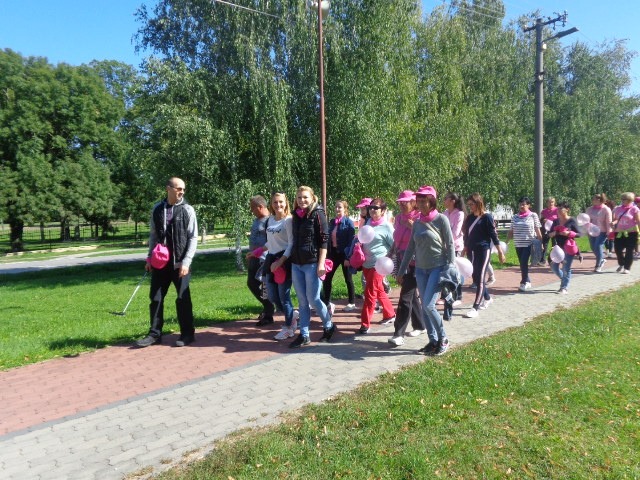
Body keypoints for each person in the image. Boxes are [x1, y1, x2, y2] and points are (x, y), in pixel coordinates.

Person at [136, 177, 198, 348]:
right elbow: (153, 235)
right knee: (156, 298)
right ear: (168, 189)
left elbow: (193, 237)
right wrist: (149, 257)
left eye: (183, 189)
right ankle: (154, 334)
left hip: (180, 263)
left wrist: (186, 262)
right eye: (178, 188)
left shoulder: (187, 210)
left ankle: (187, 334)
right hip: (160, 263)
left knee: (182, 298)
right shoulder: (157, 209)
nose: (182, 192)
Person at [397, 186, 454, 356]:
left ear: (432, 201)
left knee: (429, 305)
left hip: (437, 267)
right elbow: (410, 248)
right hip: (420, 270)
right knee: (424, 307)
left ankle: (443, 339)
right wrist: (401, 271)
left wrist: (450, 267)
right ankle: (433, 340)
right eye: (419, 200)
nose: (420, 203)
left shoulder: (441, 219)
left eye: (424, 200)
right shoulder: (417, 223)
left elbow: (450, 244)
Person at [288, 186, 336, 347]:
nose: (302, 200)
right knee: (302, 301)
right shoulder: (296, 215)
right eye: (299, 197)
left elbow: (324, 240)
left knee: (314, 299)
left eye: (305, 197)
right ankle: (304, 335)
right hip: (296, 263)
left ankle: (328, 326)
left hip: (312, 263)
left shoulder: (318, 213)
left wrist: (321, 263)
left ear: (312, 198)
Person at [388, 190, 426, 346]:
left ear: (414, 202)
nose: (402, 205)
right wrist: (391, 252)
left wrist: (411, 226)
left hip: (417, 263)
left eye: (406, 202)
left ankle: (398, 334)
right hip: (402, 261)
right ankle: (420, 325)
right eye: (400, 202)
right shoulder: (398, 218)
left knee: (405, 297)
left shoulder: (420, 217)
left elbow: (426, 238)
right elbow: (397, 238)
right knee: (411, 296)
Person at [462, 193, 505, 318]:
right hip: (471, 251)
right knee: (475, 277)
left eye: (472, 204)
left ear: (478, 203)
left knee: (480, 278)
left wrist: (500, 252)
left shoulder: (487, 217)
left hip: (483, 250)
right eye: (469, 205)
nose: (470, 207)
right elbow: (467, 235)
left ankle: (475, 308)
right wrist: (465, 249)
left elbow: (493, 235)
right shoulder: (469, 218)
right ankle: (487, 298)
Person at [263, 192, 298, 341]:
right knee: (272, 296)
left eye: (281, 202)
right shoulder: (270, 219)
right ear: (271, 204)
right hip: (271, 260)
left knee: (284, 297)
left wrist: (280, 262)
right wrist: (257, 251)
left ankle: (289, 328)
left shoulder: (288, 220)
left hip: (284, 261)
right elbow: (270, 242)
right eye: (275, 202)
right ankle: (292, 315)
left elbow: (291, 244)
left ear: (286, 203)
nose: (278, 205)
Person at [358, 198, 396, 334]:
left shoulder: (387, 227)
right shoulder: (368, 222)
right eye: (371, 207)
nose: (372, 210)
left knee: (369, 293)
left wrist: (388, 259)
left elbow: (394, 245)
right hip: (366, 263)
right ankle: (390, 314)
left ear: (383, 211)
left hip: (379, 265)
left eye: (376, 208)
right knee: (379, 290)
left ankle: (365, 324)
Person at [322, 200, 356, 313]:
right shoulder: (332, 222)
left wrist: (348, 257)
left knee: (348, 278)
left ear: (345, 209)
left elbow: (351, 241)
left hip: (344, 254)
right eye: (336, 207)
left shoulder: (349, 222)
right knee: (327, 277)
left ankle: (351, 302)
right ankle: (327, 302)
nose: (337, 209)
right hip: (333, 254)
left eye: (340, 207)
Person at [246, 195, 275, 326]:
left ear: (260, 207)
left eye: (253, 208)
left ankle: (268, 314)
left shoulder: (270, 221)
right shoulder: (256, 220)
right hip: (253, 257)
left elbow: (271, 241)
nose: (251, 211)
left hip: (264, 258)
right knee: (251, 283)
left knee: (264, 286)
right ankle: (268, 307)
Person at [506, 196, 542, 292]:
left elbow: (537, 229)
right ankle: (528, 281)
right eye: (520, 204)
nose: (521, 206)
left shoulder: (533, 215)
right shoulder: (515, 217)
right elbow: (511, 231)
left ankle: (524, 282)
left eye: (524, 204)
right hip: (518, 244)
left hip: (529, 243)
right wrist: (506, 242)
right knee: (522, 264)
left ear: (528, 205)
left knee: (523, 262)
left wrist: (540, 242)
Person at [548, 201, 580, 294]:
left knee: (566, 268)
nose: (558, 210)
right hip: (558, 248)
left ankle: (564, 287)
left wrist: (569, 233)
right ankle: (565, 279)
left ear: (567, 210)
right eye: (557, 208)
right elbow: (549, 234)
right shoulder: (556, 221)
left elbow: (580, 234)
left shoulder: (572, 220)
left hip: (569, 247)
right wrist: (553, 233)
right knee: (554, 266)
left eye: (561, 208)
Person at [442, 192, 466, 307]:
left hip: (455, 247)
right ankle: (446, 296)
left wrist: (445, 240)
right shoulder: (445, 213)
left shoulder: (459, 214)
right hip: (444, 247)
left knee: (455, 272)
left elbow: (456, 232)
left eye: (446, 198)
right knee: (444, 272)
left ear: (453, 201)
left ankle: (458, 296)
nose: (444, 200)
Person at [611, 192, 640, 274]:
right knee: (617, 249)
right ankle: (621, 263)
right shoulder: (618, 208)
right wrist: (613, 223)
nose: (622, 200)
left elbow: (638, 221)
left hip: (631, 233)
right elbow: (617, 219)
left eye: (624, 199)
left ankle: (627, 268)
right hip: (619, 232)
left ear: (630, 200)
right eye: (622, 199)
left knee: (629, 251)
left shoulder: (634, 209)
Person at [586, 193, 612, 273]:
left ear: (599, 200)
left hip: (602, 231)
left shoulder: (606, 209)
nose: (592, 200)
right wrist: (586, 229)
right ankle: (602, 259)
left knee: (598, 246)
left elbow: (608, 222)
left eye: (594, 199)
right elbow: (586, 220)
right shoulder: (589, 209)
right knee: (593, 247)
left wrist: (609, 232)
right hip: (591, 231)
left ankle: (598, 265)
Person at [540, 197, 558, 265]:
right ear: (547, 203)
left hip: (555, 230)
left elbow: (559, 219)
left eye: (552, 202)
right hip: (546, 230)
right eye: (549, 202)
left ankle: (552, 259)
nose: (551, 203)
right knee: (545, 244)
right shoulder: (544, 211)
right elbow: (541, 220)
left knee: (554, 245)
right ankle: (543, 260)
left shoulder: (557, 210)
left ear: (554, 202)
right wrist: (543, 220)